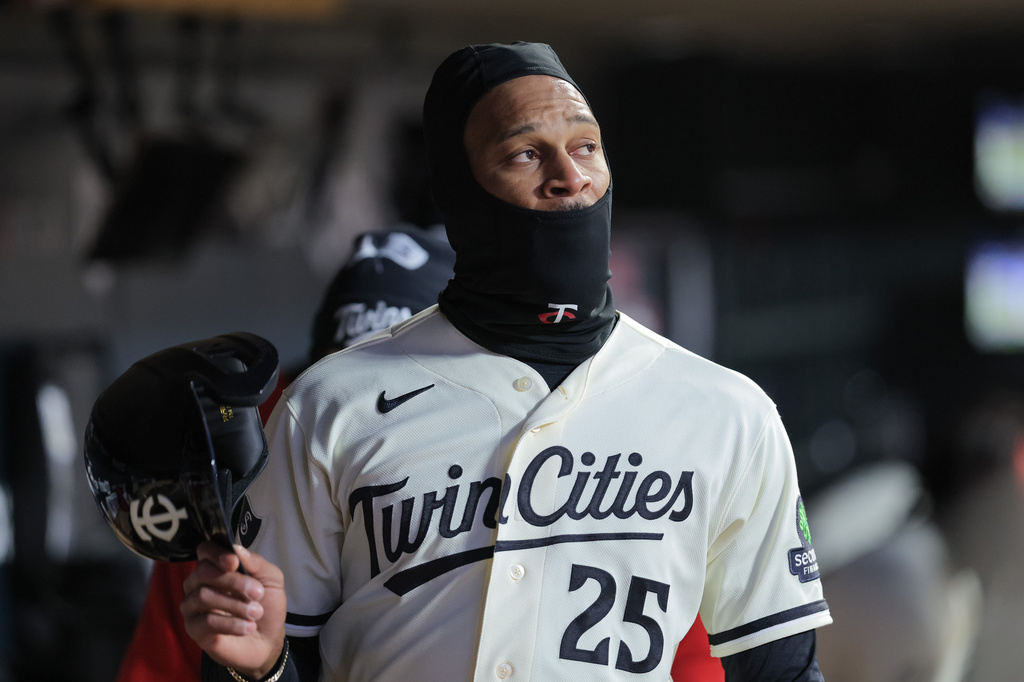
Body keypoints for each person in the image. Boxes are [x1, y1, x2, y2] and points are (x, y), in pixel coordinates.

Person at [181, 42, 832, 681]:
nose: (570, 177)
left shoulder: (726, 413)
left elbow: (783, 672)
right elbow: (262, 664)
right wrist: (261, 668)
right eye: (525, 153)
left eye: (585, 147)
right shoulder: (328, 408)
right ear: (461, 191)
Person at [114, 226, 456, 682]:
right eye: (340, 392)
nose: (362, 420)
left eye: (398, 395)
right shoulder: (227, 518)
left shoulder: (517, 487)